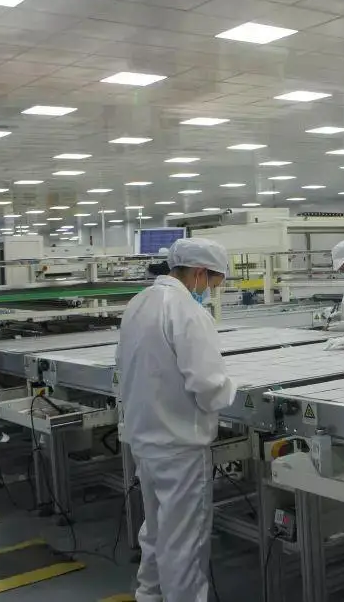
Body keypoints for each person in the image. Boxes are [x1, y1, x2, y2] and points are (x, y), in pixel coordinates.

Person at [117, 238, 237, 602]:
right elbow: (208, 386)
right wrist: (232, 389)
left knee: (156, 528)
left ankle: (149, 594)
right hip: (181, 445)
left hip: (144, 437)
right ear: (200, 272)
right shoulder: (187, 312)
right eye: (214, 282)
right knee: (185, 540)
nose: (211, 290)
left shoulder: (139, 303)